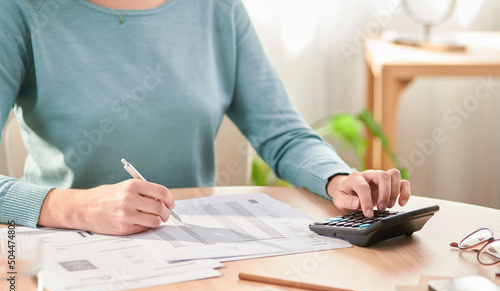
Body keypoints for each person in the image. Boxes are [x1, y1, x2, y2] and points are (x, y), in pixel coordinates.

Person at [0, 0, 410, 236]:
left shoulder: (216, 7)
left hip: (190, 248)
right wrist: (78, 207)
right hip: (66, 250)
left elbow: (281, 132)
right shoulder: (18, 11)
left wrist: (339, 180)